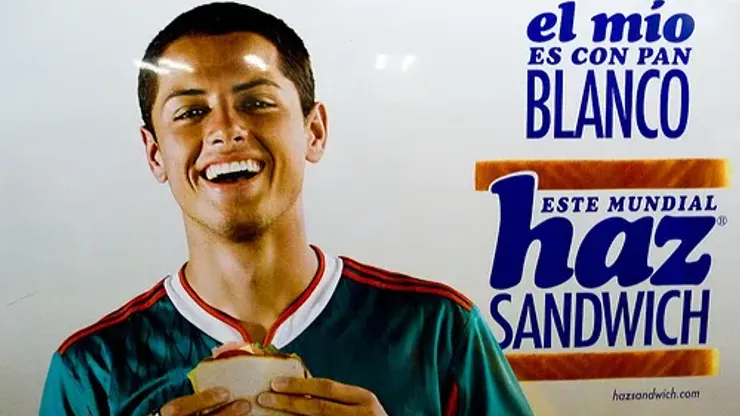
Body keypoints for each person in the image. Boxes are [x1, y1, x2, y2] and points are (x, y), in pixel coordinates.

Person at [38, 2, 534, 415]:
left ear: (314, 131)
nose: (224, 130)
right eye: (191, 111)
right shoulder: (91, 370)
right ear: (154, 154)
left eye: (256, 102)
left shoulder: (439, 332)